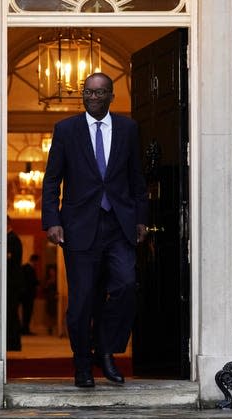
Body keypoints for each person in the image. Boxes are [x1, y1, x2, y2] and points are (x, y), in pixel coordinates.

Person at [41, 72, 148, 388]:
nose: (93, 97)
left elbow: (136, 179)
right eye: (88, 92)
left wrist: (141, 218)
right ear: (83, 96)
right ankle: (82, 364)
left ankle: (106, 350)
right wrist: (52, 221)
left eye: (100, 93)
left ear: (112, 96)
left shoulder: (128, 129)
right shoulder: (66, 130)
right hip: (79, 226)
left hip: (118, 224)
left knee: (127, 285)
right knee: (82, 300)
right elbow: (52, 180)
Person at [6, 215, 23, 351]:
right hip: (10, 282)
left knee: (11, 313)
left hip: (12, 282)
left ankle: (13, 344)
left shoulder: (13, 239)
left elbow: (11, 259)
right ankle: (11, 343)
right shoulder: (9, 238)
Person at [20, 254, 40, 335]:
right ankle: (25, 329)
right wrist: (37, 283)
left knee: (26, 313)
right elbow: (31, 282)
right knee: (27, 312)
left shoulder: (24, 267)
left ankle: (25, 329)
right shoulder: (29, 269)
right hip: (28, 295)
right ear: (34, 260)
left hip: (25, 295)